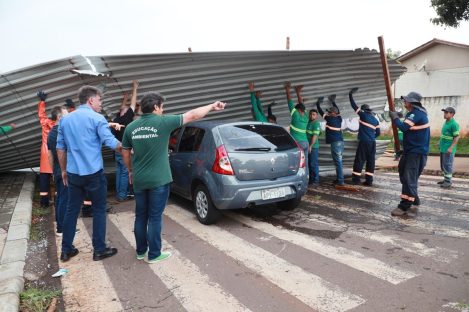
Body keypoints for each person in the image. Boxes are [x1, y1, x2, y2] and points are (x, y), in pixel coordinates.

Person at [121, 92, 225, 264]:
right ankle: (154, 254)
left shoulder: (131, 127)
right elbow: (192, 115)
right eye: (162, 107)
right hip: (159, 180)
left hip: (139, 179)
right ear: (155, 107)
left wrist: (130, 170)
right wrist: (212, 106)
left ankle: (141, 251)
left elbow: (125, 152)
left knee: (140, 216)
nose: (163, 110)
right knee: (155, 217)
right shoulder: (163, 122)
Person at [57, 85, 122, 262]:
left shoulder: (65, 120)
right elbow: (110, 142)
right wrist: (127, 149)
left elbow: (60, 149)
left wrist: (63, 170)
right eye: (100, 100)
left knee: (72, 210)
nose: (101, 104)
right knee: (99, 209)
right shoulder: (97, 118)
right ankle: (99, 250)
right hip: (93, 174)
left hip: (73, 173)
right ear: (91, 100)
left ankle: (66, 249)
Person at [389, 91, 430, 217]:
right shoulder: (413, 113)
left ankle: (404, 205)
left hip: (416, 152)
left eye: (406, 100)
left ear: (412, 102)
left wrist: (395, 118)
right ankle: (414, 197)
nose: (404, 102)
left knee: (408, 178)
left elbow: (404, 128)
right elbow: (410, 129)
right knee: (403, 173)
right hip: (410, 151)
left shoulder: (416, 113)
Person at [112, 80, 139, 201]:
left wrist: (124, 98)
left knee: (119, 172)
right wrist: (135, 88)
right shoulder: (127, 118)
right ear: (125, 113)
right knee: (124, 172)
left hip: (116, 150)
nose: (130, 111)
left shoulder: (116, 119)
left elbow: (122, 107)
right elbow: (132, 105)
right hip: (124, 150)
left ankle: (119, 193)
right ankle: (122, 196)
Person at [349, 87, 380, 186]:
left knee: (360, 159)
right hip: (372, 143)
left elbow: (354, 106)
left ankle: (356, 180)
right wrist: (371, 137)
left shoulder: (363, 115)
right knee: (370, 160)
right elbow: (378, 133)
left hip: (364, 142)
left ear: (363, 110)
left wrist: (350, 95)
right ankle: (369, 181)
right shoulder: (375, 120)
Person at [47, 106, 69, 236]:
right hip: (63, 170)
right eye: (66, 115)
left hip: (57, 169)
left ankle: (59, 225)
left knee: (60, 197)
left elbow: (50, 155)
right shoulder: (62, 132)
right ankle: (62, 228)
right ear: (59, 117)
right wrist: (63, 170)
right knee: (64, 199)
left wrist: (53, 172)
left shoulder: (51, 133)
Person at [316, 94, 345, 186]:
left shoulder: (329, 119)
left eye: (330, 112)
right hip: (340, 142)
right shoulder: (339, 118)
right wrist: (333, 101)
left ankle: (340, 181)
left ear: (333, 113)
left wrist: (318, 104)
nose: (328, 113)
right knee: (338, 161)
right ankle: (339, 179)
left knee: (338, 162)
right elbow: (338, 111)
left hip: (335, 143)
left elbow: (321, 113)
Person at [37, 91, 56, 208]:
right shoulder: (60, 126)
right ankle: (58, 199)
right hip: (55, 154)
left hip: (45, 154)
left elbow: (41, 115)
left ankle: (44, 202)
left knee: (44, 178)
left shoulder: (45, 123)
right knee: (58, 178)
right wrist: (72, 108)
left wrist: (42, 101)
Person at [284, 82, 309, 172]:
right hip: (306, 143)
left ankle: (298, 178)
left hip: (298, 143)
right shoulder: (306, 116)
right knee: (305, 163)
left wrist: (287, 90)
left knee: (297, 163)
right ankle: (306, 178)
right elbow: (301, 104)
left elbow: (289, 101)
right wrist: (298, 92)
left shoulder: (295, 115)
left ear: (298, 110)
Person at [438, 106, 459, 188]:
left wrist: (451, 147)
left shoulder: (454, 124)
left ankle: (448, 182)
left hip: (448, 149)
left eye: (446, 113)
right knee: (443, 165)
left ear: (452, 114)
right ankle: (445, 179)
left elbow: (456, 137)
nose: (444, 114)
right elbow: (444, 135)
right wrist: (439, 142)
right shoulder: (446, 122)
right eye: (444, 112)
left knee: (448, 165)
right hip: (443, 148)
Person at [306, 104, 321, 185]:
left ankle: (315, 180)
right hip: (308, 146)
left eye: (314, 114)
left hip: (313, 147)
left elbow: (315, 136)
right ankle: (311, 180)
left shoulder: (316, 124)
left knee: (313, 164)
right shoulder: (308, 122)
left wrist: (310, 146)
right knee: (309, 164)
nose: (312, 116)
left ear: (316, 116)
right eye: (311, 114)